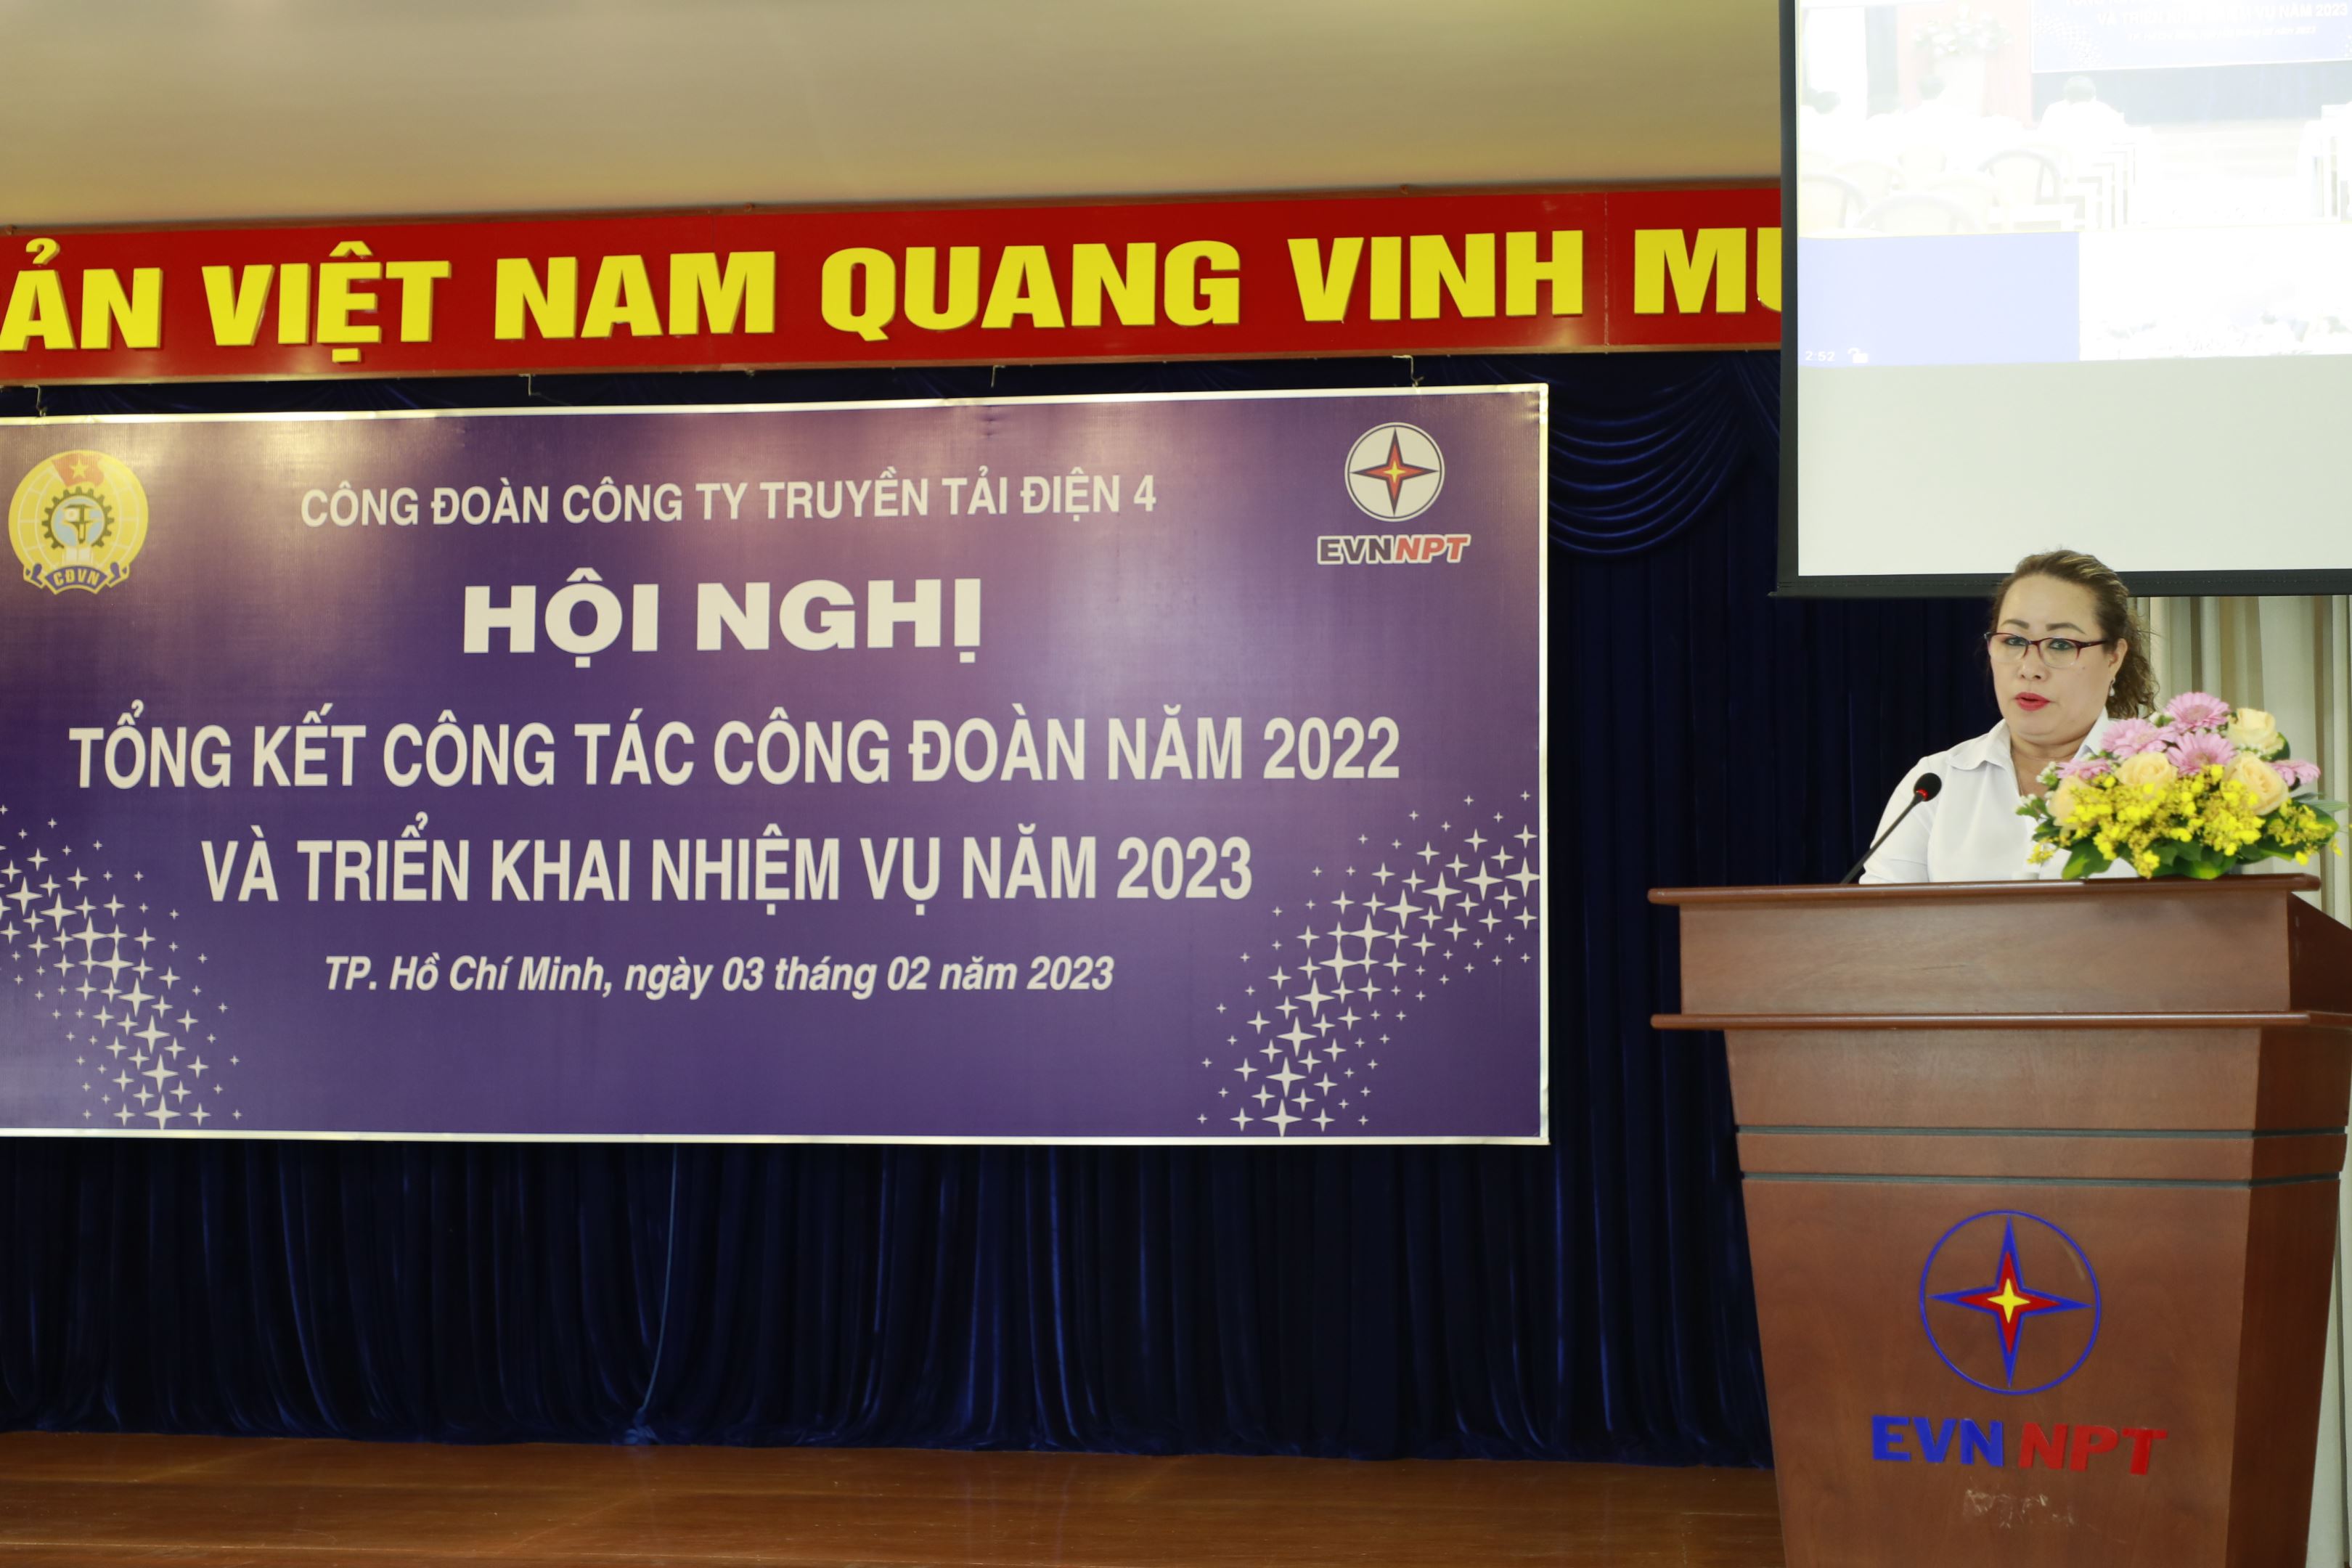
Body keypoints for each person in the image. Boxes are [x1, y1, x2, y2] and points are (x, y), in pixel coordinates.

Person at [1861, 549, 2153, 882]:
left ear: (2114, 657)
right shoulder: (1934, 783)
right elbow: (1881, 912)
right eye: (2014, 641)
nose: (2029, 668)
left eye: (2060, 645)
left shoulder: (2169, 777)